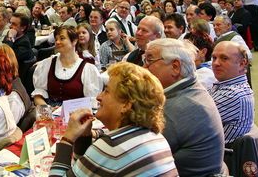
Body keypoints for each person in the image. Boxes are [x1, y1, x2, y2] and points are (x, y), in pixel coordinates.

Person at [49, 62, 177, 176]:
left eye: (106, 91)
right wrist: (85, 136)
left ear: (126, 105)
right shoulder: (155, 137)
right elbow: (84, 171)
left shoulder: (111, 147)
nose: (99, 97)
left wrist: (67, 138)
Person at [144, 39, 225, 176]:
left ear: (175, 67)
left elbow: (140, 155)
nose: (143, 67)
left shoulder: (177, 108)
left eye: (149, 60)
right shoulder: (193, 90)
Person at [32, 27, 102, 106]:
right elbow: (38, 95)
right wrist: (47, 109)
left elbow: (91, 102)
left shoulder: (87, 69)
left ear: (74, 41)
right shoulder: (47, 64)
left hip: (76, 111)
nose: (57, 42)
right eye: (56, 39)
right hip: (50, 111)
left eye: (62, 38)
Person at [209, 41, 254, 144]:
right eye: (214, 58)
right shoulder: (224, 85)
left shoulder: (233, 94)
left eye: (224, 58)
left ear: (242, 64)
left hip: (212, 152)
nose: (216, 63)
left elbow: (190, 120)